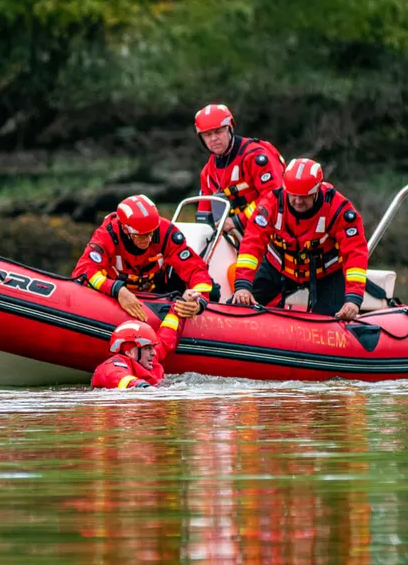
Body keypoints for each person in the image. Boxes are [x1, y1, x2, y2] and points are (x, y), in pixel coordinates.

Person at [230, 157, 369, 320]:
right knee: (236, 306)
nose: (297, 201)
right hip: (278, 267)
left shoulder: (339, 209)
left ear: (316, 190)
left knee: (330, 322)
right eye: (293, 195)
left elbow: (355, 253)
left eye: (304, 196)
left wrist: (353, 298)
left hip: (325, 273)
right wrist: (243, 285)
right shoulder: (271, 203)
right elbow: (251, 244)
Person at [73, 194, 215, 321]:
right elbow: (83, 270)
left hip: (157, 295)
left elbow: (195, 268)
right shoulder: (108, 235)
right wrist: (117, 290)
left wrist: (199, 301)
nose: (148, 239)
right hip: (114, 297)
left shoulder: (165, 232)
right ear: (125, 229)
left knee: (213, 289)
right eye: (142, 235)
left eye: (151, 233)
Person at [193, 103, 285, 236]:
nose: (213, 139)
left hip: (271, 230)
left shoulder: (254, 157)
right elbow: (204, 215)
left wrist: (237, 221)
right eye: (207, 134)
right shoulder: (208, 172)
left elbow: (273, 197)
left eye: (218, 132)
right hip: (235, 236)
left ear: (229, 129)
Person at [91, 295, 198, 388]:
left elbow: (166, 338)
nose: (154, 352)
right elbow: (115, 376)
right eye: (148, 348)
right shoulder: (114, 365)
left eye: (152, 347)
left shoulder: (144, 358)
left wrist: (178, 308)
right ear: (130, 352)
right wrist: (141, 386)